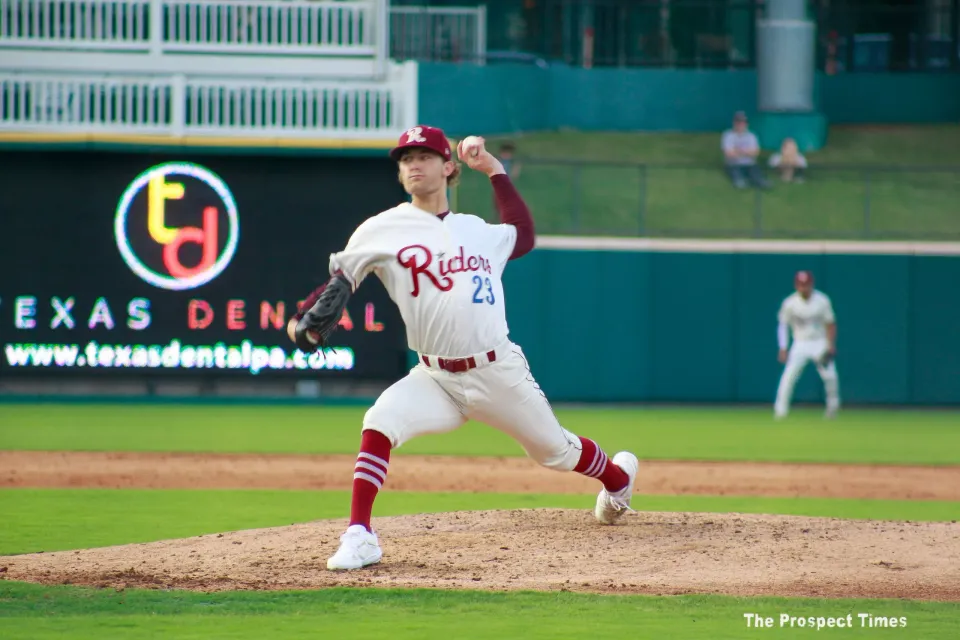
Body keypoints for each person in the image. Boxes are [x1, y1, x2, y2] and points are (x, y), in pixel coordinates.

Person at [288, 125, 639, 571]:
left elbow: (524, 236)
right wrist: (305, 316)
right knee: (380, 420)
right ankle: (360, 535)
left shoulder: (477, 231)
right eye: (405, 158)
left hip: (497, 371)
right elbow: (340, 283)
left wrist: (493, 169)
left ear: (449, 167)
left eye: (424, 155)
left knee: (555, 452)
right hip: (434, 376)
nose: (413, 163)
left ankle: (618, 478)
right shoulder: (381, 229)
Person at [774, 271, 840, 419]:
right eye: (801, 285)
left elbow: (830, 324)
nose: (804, 288)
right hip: (800, 343)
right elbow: (783, 326)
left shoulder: (822, 300)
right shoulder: (790, 303)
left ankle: (832, 410)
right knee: (788, 377)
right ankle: (780, 411)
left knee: (830, 377)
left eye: (806, 285)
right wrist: (783, 347)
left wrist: (830, 344)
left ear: (811, 284)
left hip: (820, 342)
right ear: (796, 285)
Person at [721, 111, 770, 189]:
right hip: (733, 164)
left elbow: (755, 153)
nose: (741, 125)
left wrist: (738, 151)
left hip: (750, 164)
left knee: (755, 173)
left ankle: (760, 181)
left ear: (746, 124)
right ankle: (739, 181)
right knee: (735, 173)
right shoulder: (728, 135)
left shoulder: (751, 136)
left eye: (743, 122)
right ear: (734, 123)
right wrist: (746, 152)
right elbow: (729, 153)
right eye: (738, 122)